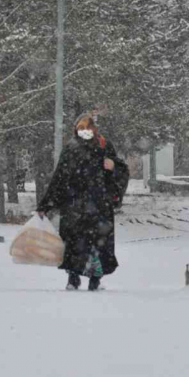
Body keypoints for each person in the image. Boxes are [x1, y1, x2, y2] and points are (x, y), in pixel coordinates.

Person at [37, 112, 130, 291]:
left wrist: (113, 166)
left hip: (99, 205)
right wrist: (45, 205)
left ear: (94, 129)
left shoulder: (104, 145)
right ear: (75, 130)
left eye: (87, 128)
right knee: (73, 242)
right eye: (80, 128)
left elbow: (121, 170)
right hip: (75, 205)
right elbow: (60, 177)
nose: (84, 131)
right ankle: (73, 278)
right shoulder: (71, 148)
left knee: (97, 243)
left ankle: (95, 279)